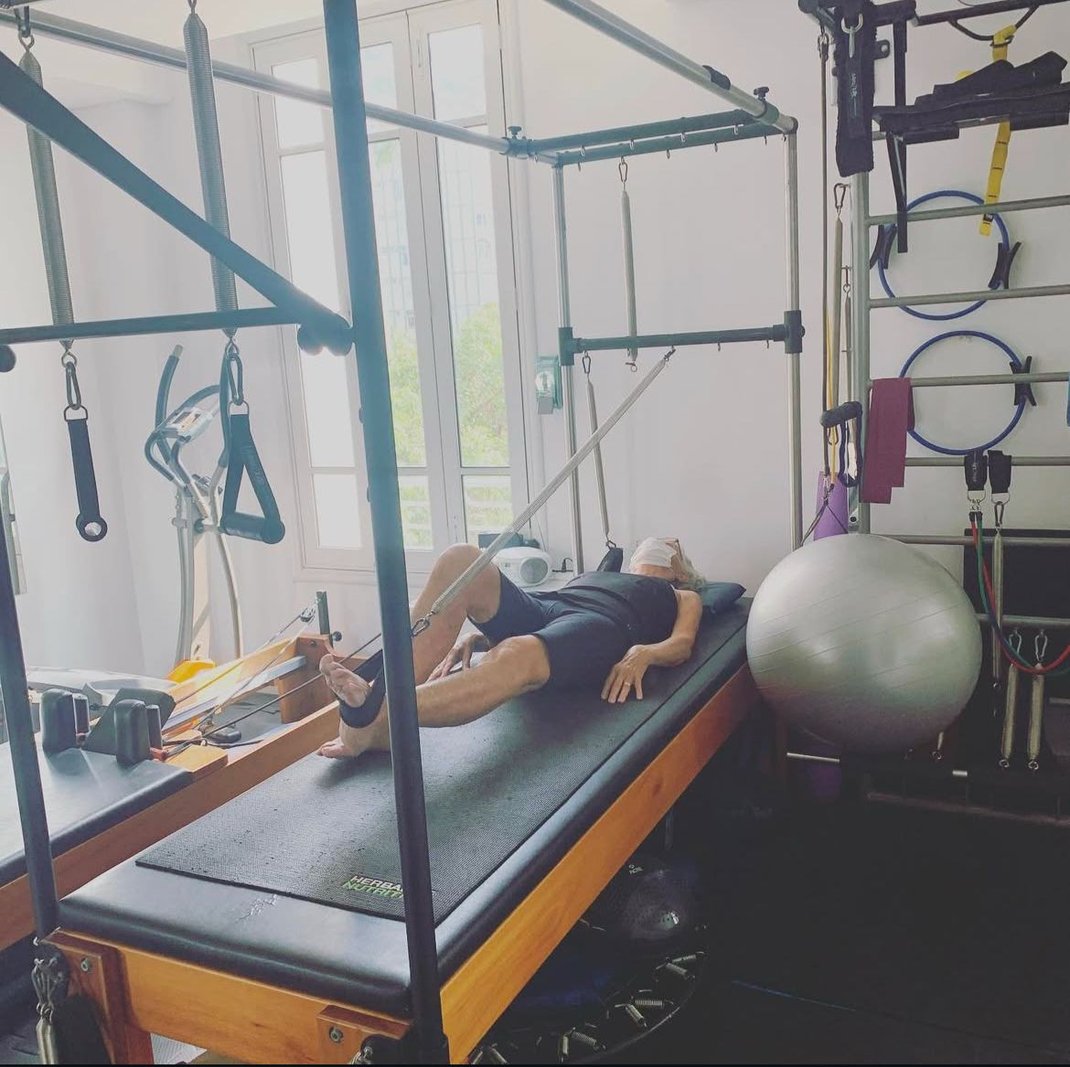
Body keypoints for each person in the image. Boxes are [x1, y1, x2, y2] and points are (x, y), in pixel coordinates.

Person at [317, 537, 704, 759]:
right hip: (551, 605)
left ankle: (374, 713)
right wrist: (479, 637)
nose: (656, 547)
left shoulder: (682, 594)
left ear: (681, 570)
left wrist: (644, 652)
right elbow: (546, 613)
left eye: (667, 547)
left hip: (605, 624)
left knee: (517, 653)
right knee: (462, 559)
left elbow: (682, 644)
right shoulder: (601, 572)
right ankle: (382, 704)